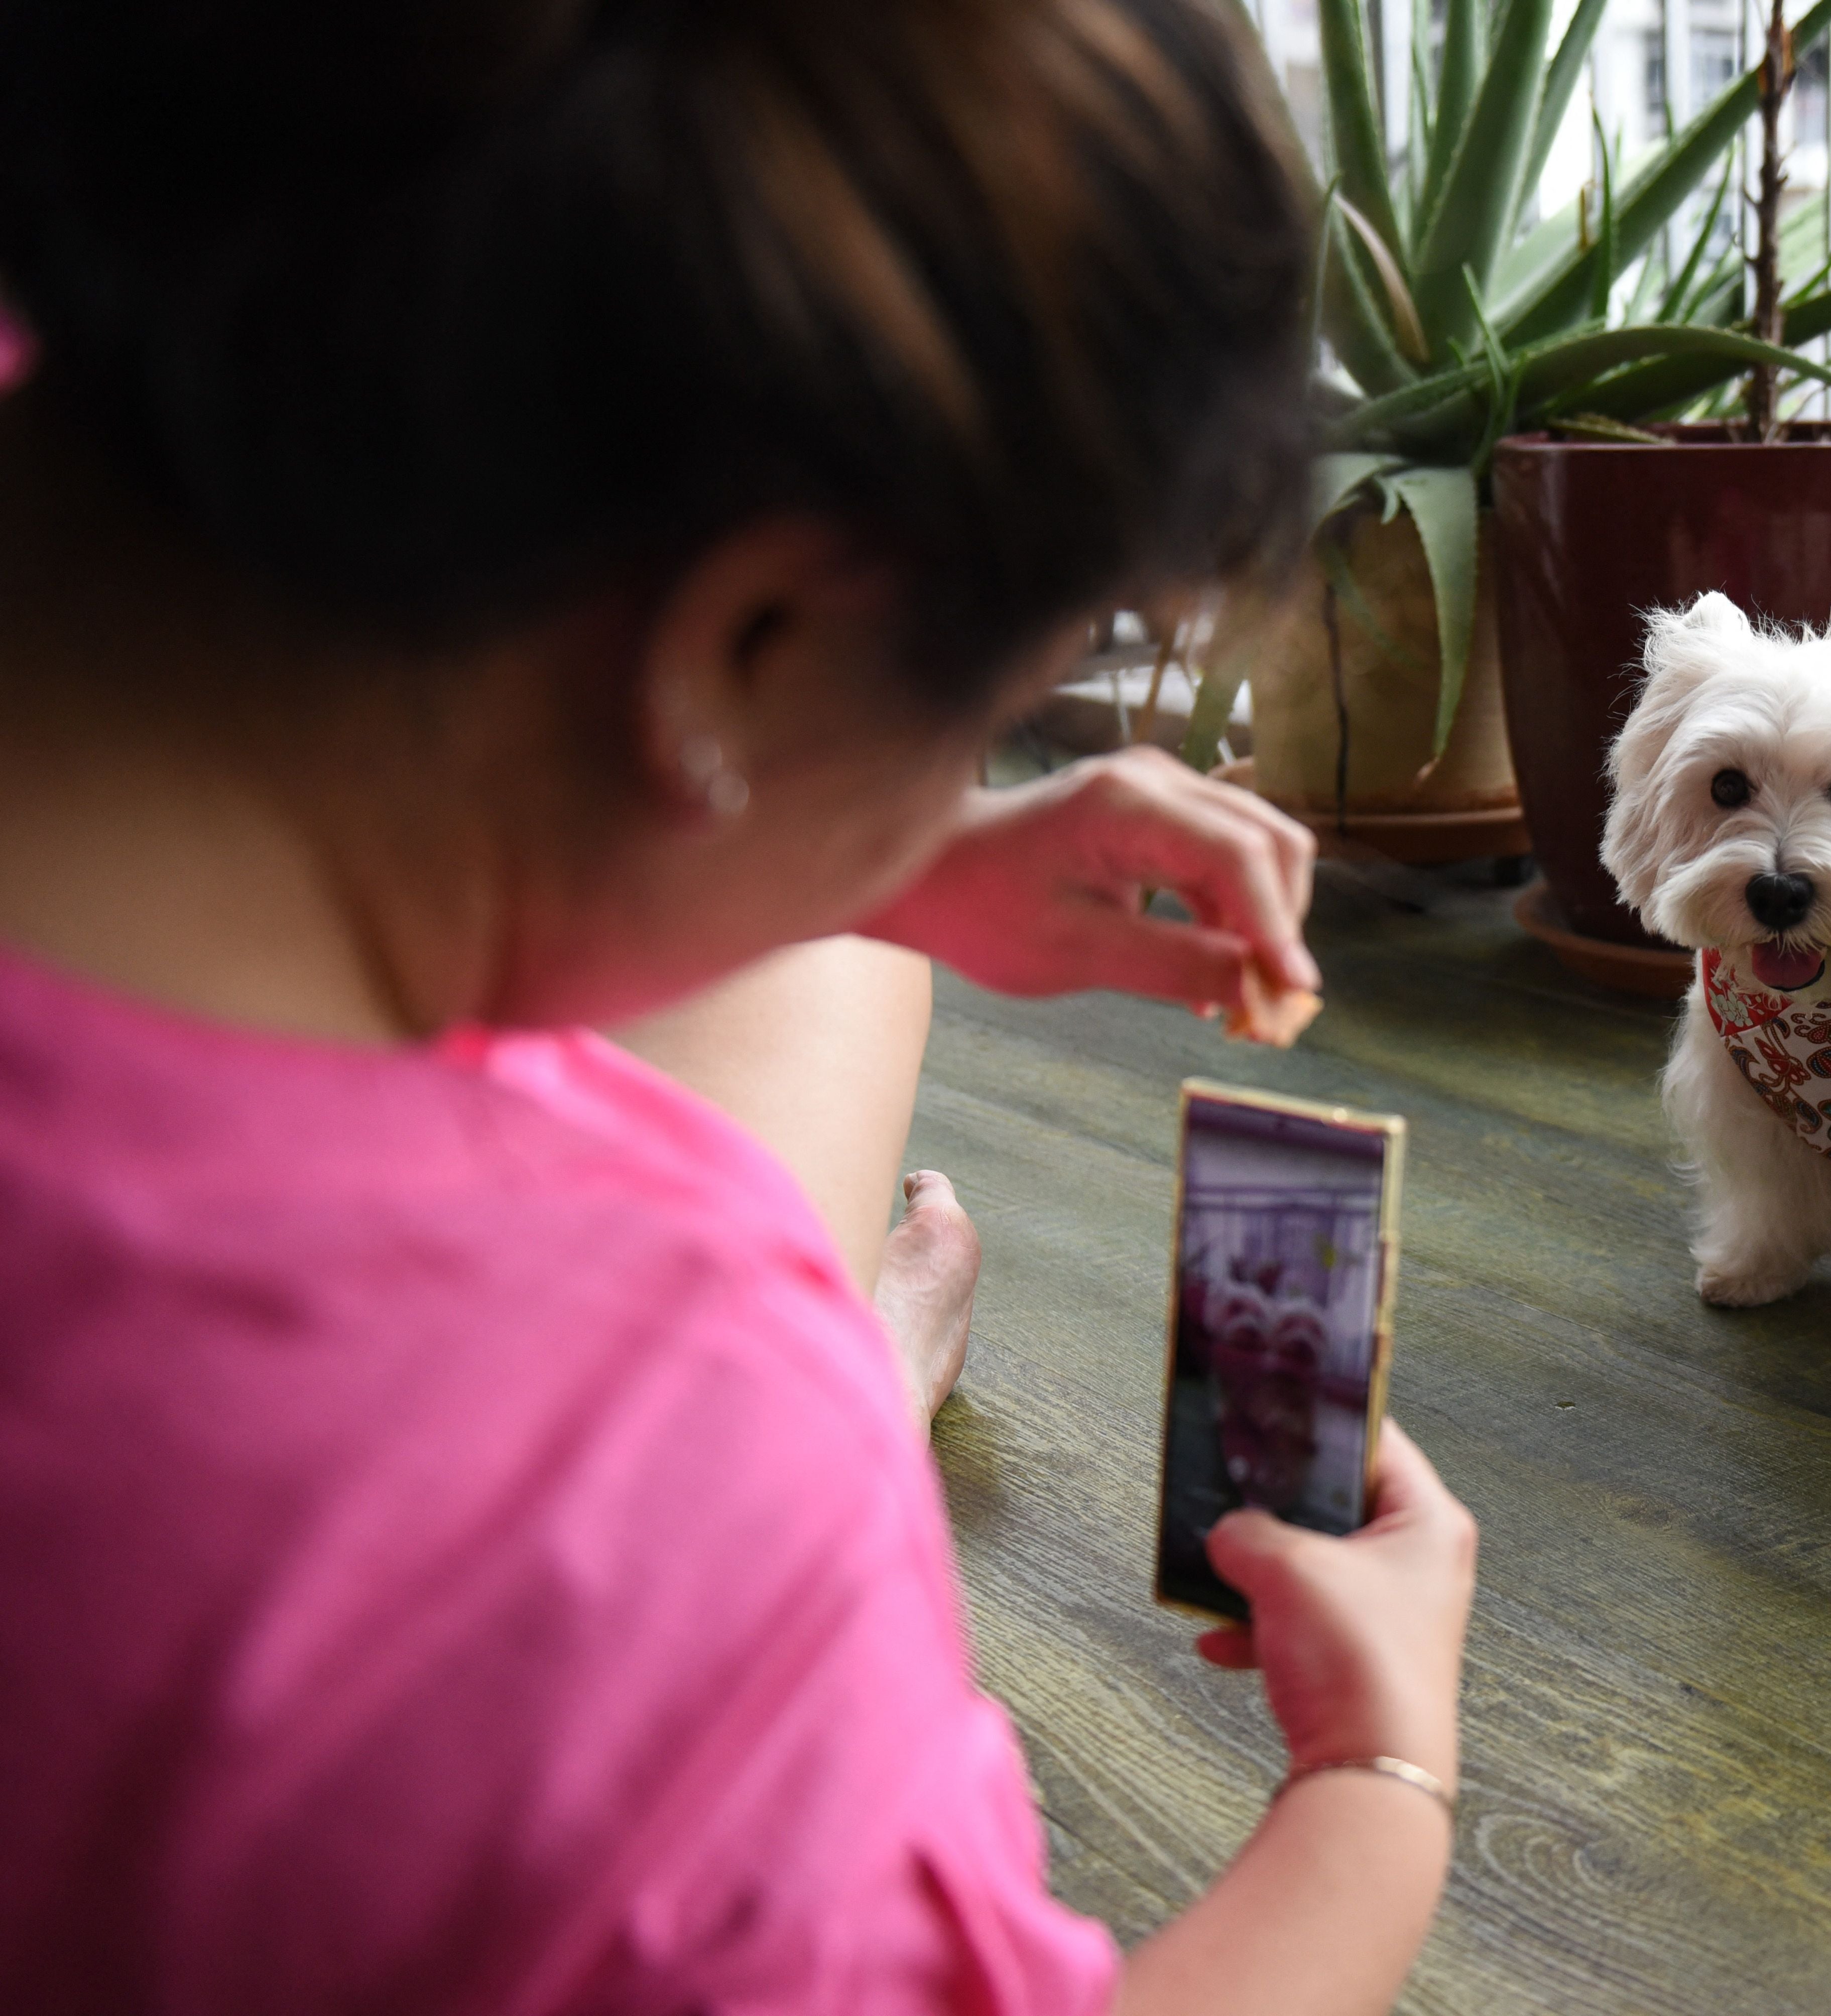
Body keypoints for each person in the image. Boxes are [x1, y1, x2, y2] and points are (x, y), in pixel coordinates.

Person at [0, 0, 1480, 2009]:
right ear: (752, 641)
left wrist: (896, 845)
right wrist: (1376, 1779)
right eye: (985, 698)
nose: (970, 769)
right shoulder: (660, 1435)